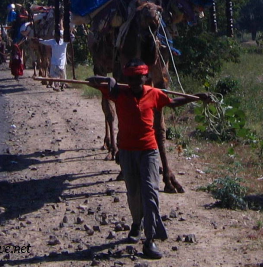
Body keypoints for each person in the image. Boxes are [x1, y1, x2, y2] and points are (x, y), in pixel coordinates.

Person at [87, 58, 210, 260]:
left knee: (150, 192)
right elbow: (90, 80)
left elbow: (173, 102)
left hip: (149, 151)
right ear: (126, 78)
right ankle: (136, 224)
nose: (135, 82)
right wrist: (108, 81)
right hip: (126, 152)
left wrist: (196, 97)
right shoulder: (119, 93)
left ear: (146, 77)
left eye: (139, 78)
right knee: (133, 193)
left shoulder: (154, 94)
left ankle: (149, 239)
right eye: (131, 78)